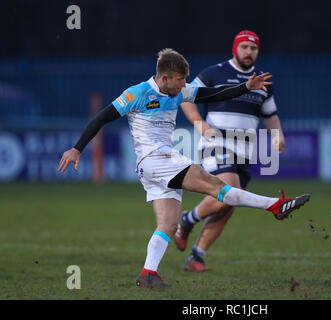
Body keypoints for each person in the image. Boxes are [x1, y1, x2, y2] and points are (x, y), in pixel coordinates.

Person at [57, 48, 311, 289]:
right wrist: (77, 148)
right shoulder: (137, 93)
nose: (184, 85)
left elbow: (214, 94)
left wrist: (245, 86)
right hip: (157, 160)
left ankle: (148, 274)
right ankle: (275, 206)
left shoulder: (179, 91)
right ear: (164, 77)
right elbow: (100, 118)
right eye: (180, 80)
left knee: (167, 225)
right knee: (217, 187)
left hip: (154, 168)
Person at [175, 30, 286, 271]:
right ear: (235, 49)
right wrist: (198, 122)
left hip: (244, 151)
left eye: (253, 48)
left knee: (228, 204)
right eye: (244, 47)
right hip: (216, 143)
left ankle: (196, 254)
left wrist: (278, 135)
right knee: (231, 189)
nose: (249, 52)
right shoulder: (214, 73)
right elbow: (185, 98)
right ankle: (187, 220)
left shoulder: (263, 82)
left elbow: (270, 115)